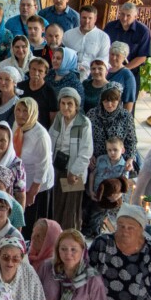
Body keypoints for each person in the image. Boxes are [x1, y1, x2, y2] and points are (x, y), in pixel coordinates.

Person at [47, 87, 94, 231]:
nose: (66, 107)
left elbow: (86, 151)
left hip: (73, 171)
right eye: (63, 103)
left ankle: (70, 236)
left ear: (76, 106)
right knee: (57, 204)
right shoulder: (58, 119)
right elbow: (50, 140)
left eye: (70, 104)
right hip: (58, 167)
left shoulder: (84, 123)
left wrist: (75, 172)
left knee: (71, 208)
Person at [13, 97, 53, 235]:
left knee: (32, 223)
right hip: (21, 181)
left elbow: (43, 167)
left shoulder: (40, 136)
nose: (20, 114)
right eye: (18, 110)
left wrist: (32, 193)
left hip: (37, 186)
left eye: (25, 111)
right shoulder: (17, 126)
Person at [104, 2, 151, 96]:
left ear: (135, 16)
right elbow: (103, 48)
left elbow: (142, 56)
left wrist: (123, 70)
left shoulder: (143, 31)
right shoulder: (110, 27)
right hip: (110, 71)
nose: (124, 18)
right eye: (122, 14)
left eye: (128, 15)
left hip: (131, 72)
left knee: (128, 102)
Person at [88, 85, 137, 171]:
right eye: (106, 101)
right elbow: (85, 138)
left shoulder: (125, 116)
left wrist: (130, 159)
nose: (109, 105)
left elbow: (131, 140)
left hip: (118, 164)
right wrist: (89, 155)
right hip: (96, 163)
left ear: (119, 100)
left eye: (113, 101)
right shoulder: (92, 114)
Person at [106, 42, 138, 112]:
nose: (114, 58)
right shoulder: (103, 69)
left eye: (117, 55)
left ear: (124, 57)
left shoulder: (127, 75)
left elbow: (129, 101)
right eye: (112, 54)